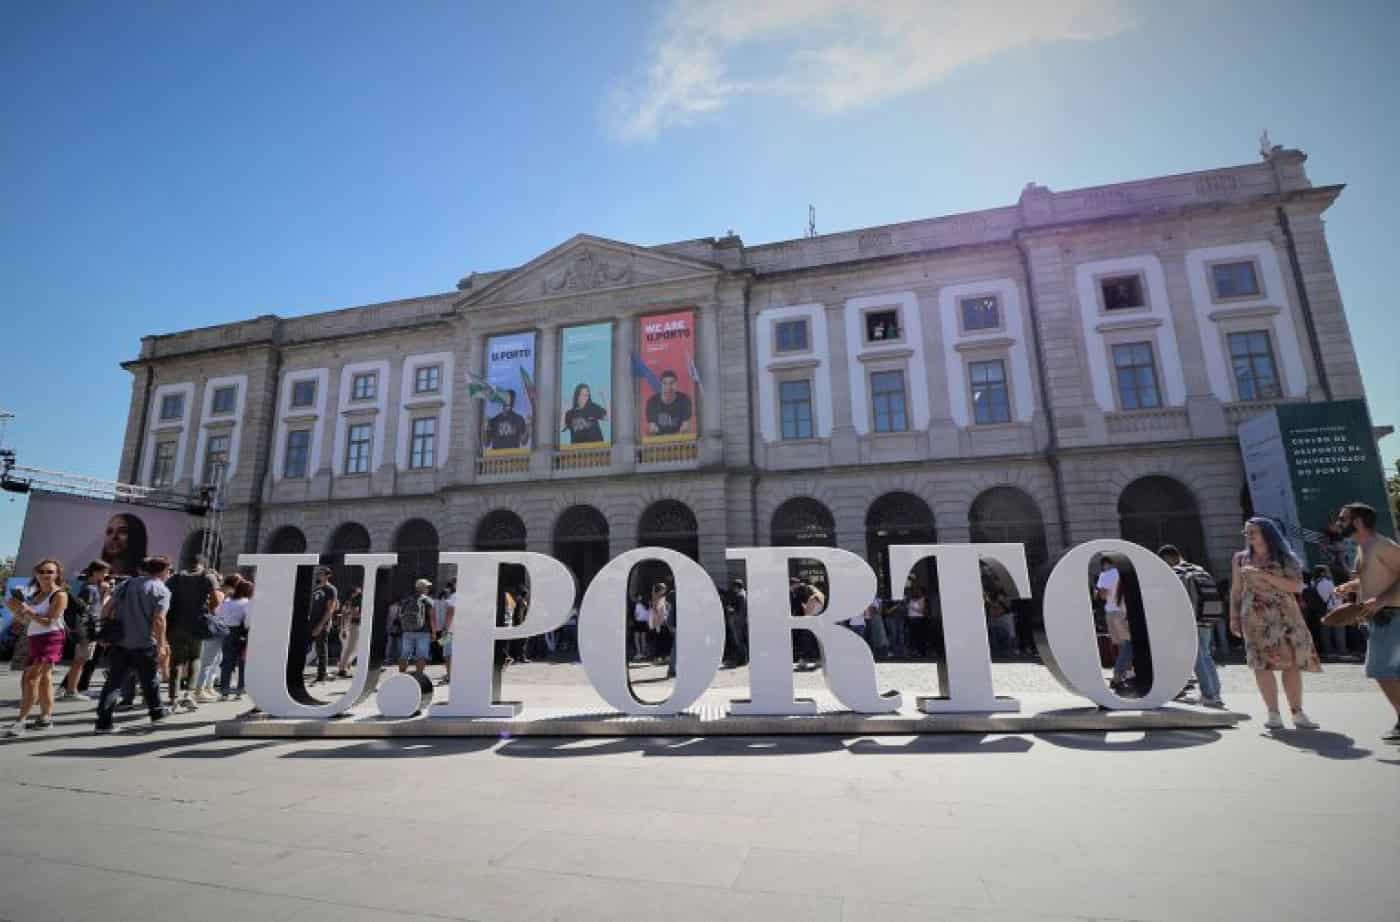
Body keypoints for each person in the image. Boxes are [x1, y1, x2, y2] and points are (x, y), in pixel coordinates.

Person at [1230, 517, 1321, 730]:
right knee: (1260, 664)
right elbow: (1236, 590)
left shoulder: (1285, 558)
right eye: (1247, 532)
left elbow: (1298, 587)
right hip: (1254, 616)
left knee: (1290, 664)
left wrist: (1262, 575)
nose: (1249, 536)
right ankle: (1273, 713)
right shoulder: (1240, 558)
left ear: (1267, 533)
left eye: (1253, 531)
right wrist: (1233, 617)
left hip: (1285, 615)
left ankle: (1297, 712)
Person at [1332, 503, 1400, 743]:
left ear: (1358, 522)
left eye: (1343, 519)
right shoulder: (1364, 547)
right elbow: (1377, 579)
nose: (1339, 523)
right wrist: (1351, 587)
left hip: (1391, 615)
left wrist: (1381, 600)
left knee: (1380, 669)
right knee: (1392, 671)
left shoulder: (1382, 545)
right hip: (1381, 617)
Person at [94, 556, 172, 733]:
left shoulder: (127, 584)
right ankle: (157, 712)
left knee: (113, 683)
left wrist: (105, 631)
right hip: (145, 642)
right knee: (150, 680)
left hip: (121, 642)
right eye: (168, 570)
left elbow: (107, 608)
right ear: (162, 571)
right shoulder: (161, 590)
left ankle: (103, 722)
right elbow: (159, 619)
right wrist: (162, 644)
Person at [3, 559, 70, 736]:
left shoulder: (60, 595)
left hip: (51, 638)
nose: (45, 575)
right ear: (36, 574)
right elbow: (28, 621)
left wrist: (28, 611)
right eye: (42, 571)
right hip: (35, 638)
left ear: (57, 574)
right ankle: (45, 717)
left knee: (31, 677)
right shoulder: (37, 595)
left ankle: (20, 721)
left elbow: (49, 622)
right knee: (45, 678)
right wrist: (15, 610)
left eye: (50, 572)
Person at [1159, 545, 1227, 709]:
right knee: (1206, 655)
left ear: (1168, 558)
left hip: (1188, 620)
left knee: (1197, 657)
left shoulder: (1176, 572)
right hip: (1206, 617)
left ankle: (1209, 695)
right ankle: (1215, 693)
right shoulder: (1199, 569)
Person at [165, 556, 220, 711]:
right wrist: (210, 611)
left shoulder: (175, 578)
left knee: (176, 661)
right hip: (196, 623)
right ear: (203, 564)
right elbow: (216, 599)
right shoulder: (208, 577)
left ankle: (173, 698)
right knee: (195, 658)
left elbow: (165, 596)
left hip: (175, 624)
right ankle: (189, 694)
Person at [60, 560, 110, 700]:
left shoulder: (92, 587)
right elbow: (85, 610)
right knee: (80, 661)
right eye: (104, 572)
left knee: (81, 661)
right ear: (95, 572)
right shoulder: (89, 588)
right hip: (87, 630)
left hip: (88, 629)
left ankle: (71, 689)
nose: (106, 575)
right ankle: (71, 691)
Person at [194, 573, 241, 702]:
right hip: (215, 631)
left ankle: (208, 687)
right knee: (208, 661)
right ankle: (199, 689)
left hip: (217, 631)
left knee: (215, 660)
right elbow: (216, 613)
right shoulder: (219, 594)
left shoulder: (222, 594)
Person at [1096, 557, 1132, 688]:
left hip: (1110, 612)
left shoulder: (1105, 575)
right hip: (1122, 612)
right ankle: (1120, 675)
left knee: (1123, 645)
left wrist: (1099, 593)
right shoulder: (1122, 573)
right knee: (1128, 644)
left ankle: (1122, 675)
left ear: (1105, 564)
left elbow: (1103, 595)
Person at [217, 578, 253, 699]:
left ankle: (224, 690)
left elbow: (218, 613)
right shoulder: (246, 602)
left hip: (226, 630)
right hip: (240, 631)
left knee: (227, 661)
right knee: (242, 661)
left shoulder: (227, 601)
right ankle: (240, 689)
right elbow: (247, 620)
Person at [398, 579, 437, 676]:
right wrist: (434, 632)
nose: (428, 589)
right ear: (423, 588)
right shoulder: (428, 600)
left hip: (407, 631)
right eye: (427, 587)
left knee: (404, 655)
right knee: (421, 656)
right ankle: (419, 676)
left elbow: (400, 615)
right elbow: (432, 617)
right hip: (423, 632)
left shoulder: (407, 599)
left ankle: (402, 676)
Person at [307, 567, 338, 684]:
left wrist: (320, 625)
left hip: (322, 624)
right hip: (311, 622)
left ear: (327, 575)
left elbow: (330, 609)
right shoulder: (316, 589)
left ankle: (321, 676)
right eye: (318, 573)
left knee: (321, 650)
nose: (318, 575)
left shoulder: (331, 589)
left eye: (321, 573)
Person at [644, 370, 693, 436]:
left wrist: (675, 438)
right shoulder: (652, 402)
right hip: (659, 442)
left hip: (680, 441)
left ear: (676, 384)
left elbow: (686, 427)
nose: (668, 387)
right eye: (664, 383)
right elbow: (652, 428)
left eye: (671, 383)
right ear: (660, 385)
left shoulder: (684, 400)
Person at [101, 512, 148, 577]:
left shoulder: (144, 578)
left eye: (122, 531)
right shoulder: (94, 572)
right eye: (110, 531)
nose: (114, 537)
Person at [337, 586, 363, 678]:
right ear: (353, 593)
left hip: (350, 626)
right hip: (351, 626)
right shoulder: (351, 602)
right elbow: (347, 615)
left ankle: (344, 666)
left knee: (352, 648)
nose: (360, 592)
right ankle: (342, 668)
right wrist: (343, 629)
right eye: (358, 591)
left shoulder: (350, 602)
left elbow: (344, 615)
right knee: (350, 648)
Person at [905, 584, 931, 658]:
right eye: (915, 591)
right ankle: (914, 652)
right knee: (912, 637)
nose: (916, 592)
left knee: (920, 637)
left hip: (919, 621)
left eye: (918, 591)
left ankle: (922, 652)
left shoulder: (924, 599)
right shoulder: (911, 599)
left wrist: (912, 607)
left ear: (922, 592)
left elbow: (923, 611)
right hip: (911, 621)